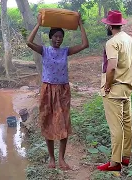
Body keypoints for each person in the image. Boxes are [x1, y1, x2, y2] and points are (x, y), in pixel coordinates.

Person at [26, 13, 89, 170]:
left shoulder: (65, 51)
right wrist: (39, 25)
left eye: (60, 36)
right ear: (50, 37)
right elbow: (28, 42)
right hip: (47, 90)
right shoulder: (44, 50)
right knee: (48, 122)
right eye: (55, 36)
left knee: (63, 124)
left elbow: (85, 45)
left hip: (62, 91)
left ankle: (61, 159)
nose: (58, 39)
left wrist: (81, 25)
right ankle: (52, 159)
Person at [98, 10, 132, 172]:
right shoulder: (129, 40)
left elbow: (112, 66)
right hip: (127, 88)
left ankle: (115, 163)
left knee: (116, 128)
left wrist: (107, 85)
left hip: (114, 90)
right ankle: (126, 156)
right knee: (128, 124)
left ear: (109, 25)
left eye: (106, 23)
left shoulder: (112, 42)